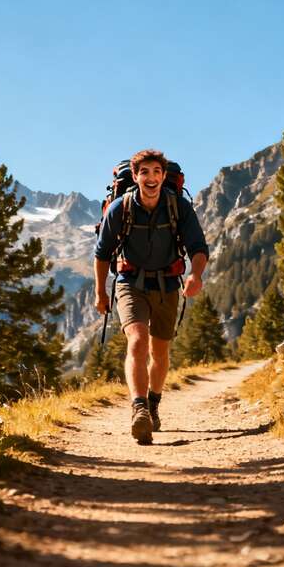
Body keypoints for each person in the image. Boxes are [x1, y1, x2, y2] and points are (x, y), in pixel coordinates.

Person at [95, 149, 209, 444]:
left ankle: (154, 404)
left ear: (163, 176)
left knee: (160, 352)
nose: (151, 178)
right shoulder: (121, 207)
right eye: (144, 172)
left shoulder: (178, 207)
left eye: (156, 172)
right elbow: (102, 253)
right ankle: (139, 409)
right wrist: (99, 293)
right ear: (135, 177)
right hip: (130, 282)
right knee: (137, 340)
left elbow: (198, 247)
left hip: (168, 284)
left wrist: (196, 274)